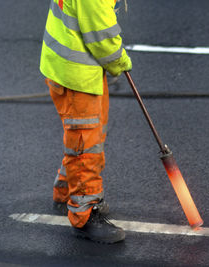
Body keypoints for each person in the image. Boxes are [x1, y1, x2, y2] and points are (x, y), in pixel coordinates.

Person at [39, 0, 132, 244]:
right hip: (75, 74)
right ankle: (84, 213)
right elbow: (101, 35)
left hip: (76, 66)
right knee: (85, 145)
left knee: (87, 137)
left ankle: (64, 193)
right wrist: (120, 61)